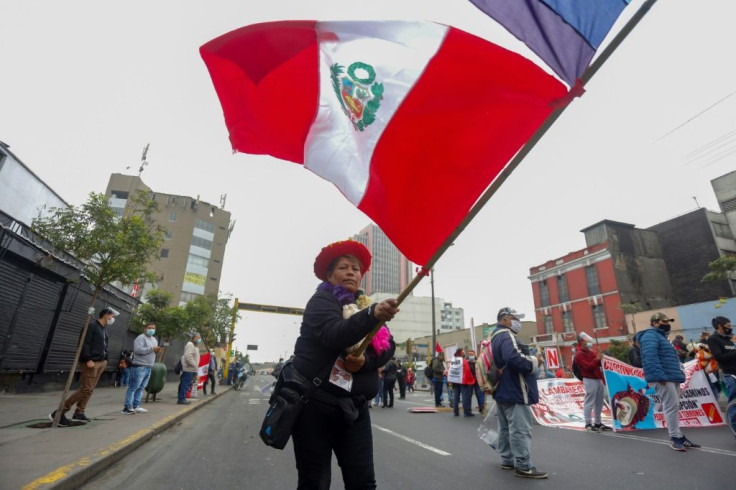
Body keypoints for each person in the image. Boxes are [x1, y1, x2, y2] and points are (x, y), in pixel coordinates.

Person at [290, 239, 398, 489]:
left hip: (355, 410)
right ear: (330, 275)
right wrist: (371, 315)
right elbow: (335, 334)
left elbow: (387, 346)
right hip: (315, 408)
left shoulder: (364, 305)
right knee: (314, 483)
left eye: (356, 269)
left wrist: (364, 362)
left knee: (363, 482)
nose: (351, 272)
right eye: (343, 267)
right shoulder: (321, 302)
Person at [491, 307, 547, 479]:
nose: (519, 322)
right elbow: (512, 358)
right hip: (515, 388)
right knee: (520, 429)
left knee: (506, 428)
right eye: (516, 318)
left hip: (503, 389)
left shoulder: (494, 336)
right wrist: (534, 362)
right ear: (506, 319)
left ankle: (507, 459)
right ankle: (523, 465)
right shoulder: (507, 336)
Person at [637, 312, 700, 451]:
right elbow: (650, 357)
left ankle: (679, 435)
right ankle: (675, 438)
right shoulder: (650, 336)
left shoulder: (661, 337)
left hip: (671, 376)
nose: (667, 324)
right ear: (654, 323)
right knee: (671, 407)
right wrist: (660, 377)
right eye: (663, 321)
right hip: (663, 378)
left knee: (674, 406)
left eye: (668, 321)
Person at [49, 307, 117, 426]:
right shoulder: (92, 326)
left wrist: (106, 359)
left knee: (90, 389)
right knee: (85, 388)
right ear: (106, 315)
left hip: (101, 362)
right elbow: (84, 343)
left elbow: (105, 346)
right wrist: (88, 359)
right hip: (91, 362)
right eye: (112, 316)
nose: (113, 319)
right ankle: (59, 413)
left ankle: (79, 412)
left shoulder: (104, 329)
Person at [574, 333, 612, 432]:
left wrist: (600, 355)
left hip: (597, 378)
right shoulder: (578, 354)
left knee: (599, 402)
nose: (589, 342)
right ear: (581, 342)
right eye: (586, 340)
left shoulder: (590, 352)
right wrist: (597, 359)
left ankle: (598, 423)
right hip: (589, 378)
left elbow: (598, 363)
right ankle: (588, 423)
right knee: (589, 402)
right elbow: (588, 366)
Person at [122, 322, 161, 414]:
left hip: (149, 366)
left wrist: (156, 351)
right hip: (139, 366)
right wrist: (152, 349)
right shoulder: (140, 338)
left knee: (141, 387)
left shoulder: (154, 340)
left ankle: (136, 405)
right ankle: (127, 407)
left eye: (153, 328)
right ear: (145, 328)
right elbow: (138, 350)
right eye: (149, 328)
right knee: (133, 387)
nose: (151, 330)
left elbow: (153, 352)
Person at [707, 316, 736, 432]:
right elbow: (718, 357)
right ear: (720, 326)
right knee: (734, 403)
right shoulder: (713, 339)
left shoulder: (729, 339)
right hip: (730, 375)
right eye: (728, 326)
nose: (730, 328)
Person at [449, 348, 475, 417]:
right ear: (461, 354)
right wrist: (471, 380)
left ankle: (455, 411)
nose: (464, 354)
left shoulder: (453, 360)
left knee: (456, 396)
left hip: (455, 380)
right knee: (465, 397)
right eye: (463, 353)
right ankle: (466, 412)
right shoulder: (463, 361)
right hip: (463, 381)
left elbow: (450, 370)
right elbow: (467, 371)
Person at [178, 332, 201, 405]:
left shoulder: (195, 347)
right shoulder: (190, 344)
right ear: (193, 338)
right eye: (197, 337)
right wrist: (194, 365)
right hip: (188, 368)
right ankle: (181, 399)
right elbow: (188, 357)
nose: (199, 339)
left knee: (187, 384)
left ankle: (182, 398)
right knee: (185, 384)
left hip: (192, 369)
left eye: (199, 338)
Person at [467, 349, 485, 413]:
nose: (470, 356)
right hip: (469, 381)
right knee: (469, 395)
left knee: (479, 394)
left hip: (477, 380)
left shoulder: (478, 361)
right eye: (469, 355)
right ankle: (468, 409)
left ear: (474, 355)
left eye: (472, 354)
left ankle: (481, 408)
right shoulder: (467, 362)